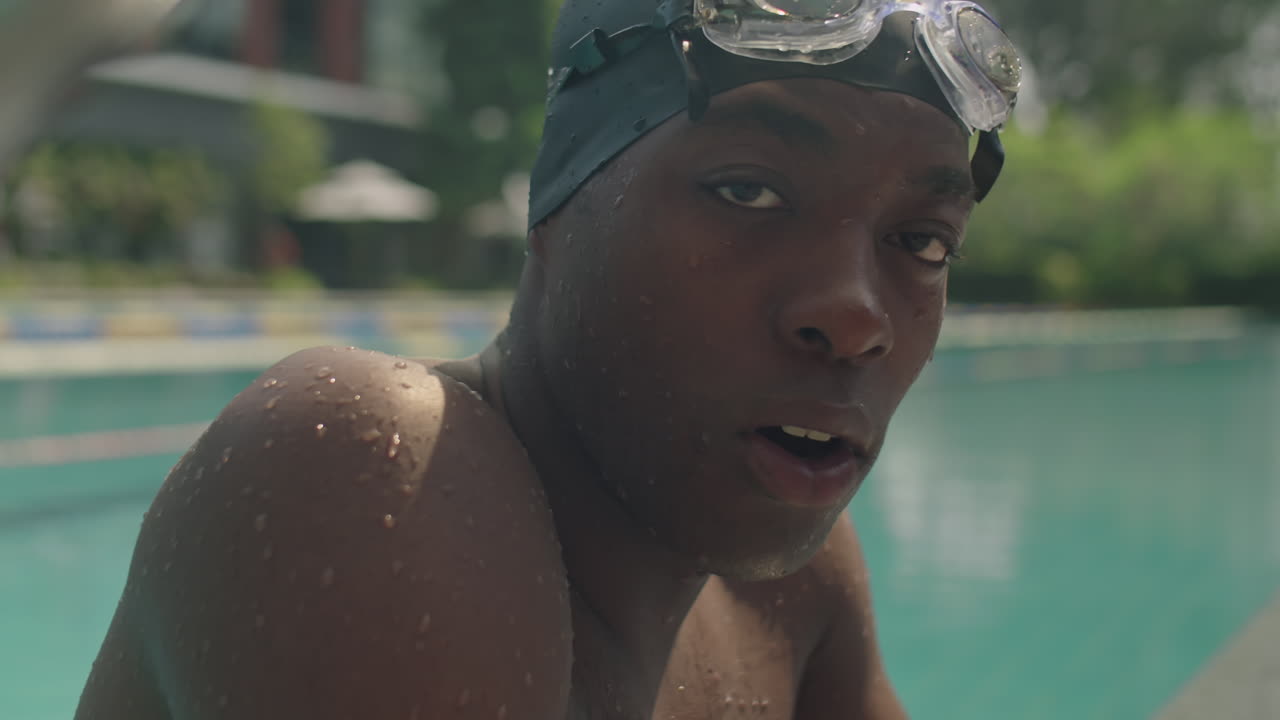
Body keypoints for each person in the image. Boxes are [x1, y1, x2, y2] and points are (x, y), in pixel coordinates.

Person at [76, 0, 1021, 717]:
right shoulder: (373, 472)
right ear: (558, 201)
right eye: (749, 191)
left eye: (924, 243)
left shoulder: (790, 591)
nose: (857, 315)